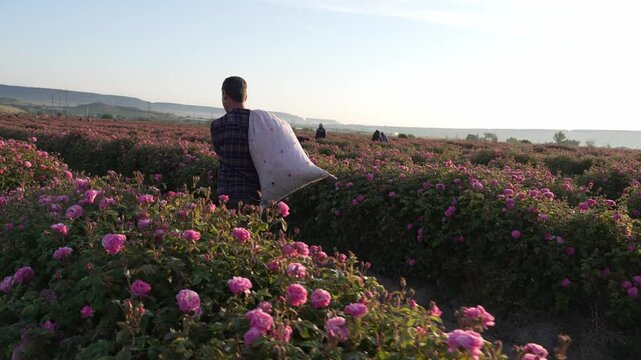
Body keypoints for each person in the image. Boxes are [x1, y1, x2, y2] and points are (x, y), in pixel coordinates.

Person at [210, 76, 261, 208]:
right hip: (255, 195)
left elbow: (219, 153)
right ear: (245, 97)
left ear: (225, 95)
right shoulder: (258, 123)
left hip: (227, 195)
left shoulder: (217, 125)